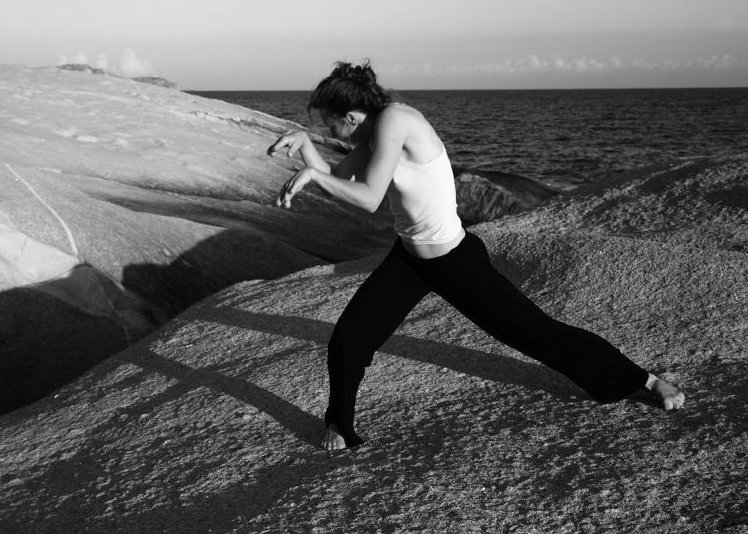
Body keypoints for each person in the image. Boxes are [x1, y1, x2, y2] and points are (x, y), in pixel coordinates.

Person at [267, 60, 686, 451]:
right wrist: (306, 147)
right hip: (410, 259)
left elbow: (368, 197)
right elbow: (338, 179)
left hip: (454, 260)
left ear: (352, 116)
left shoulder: (395, 121)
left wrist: (311, 173)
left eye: (326, 123)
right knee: (350, 337)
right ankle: (340, 423)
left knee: (535, 333)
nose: (327, 130)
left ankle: (645, 381)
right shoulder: (373, 132)